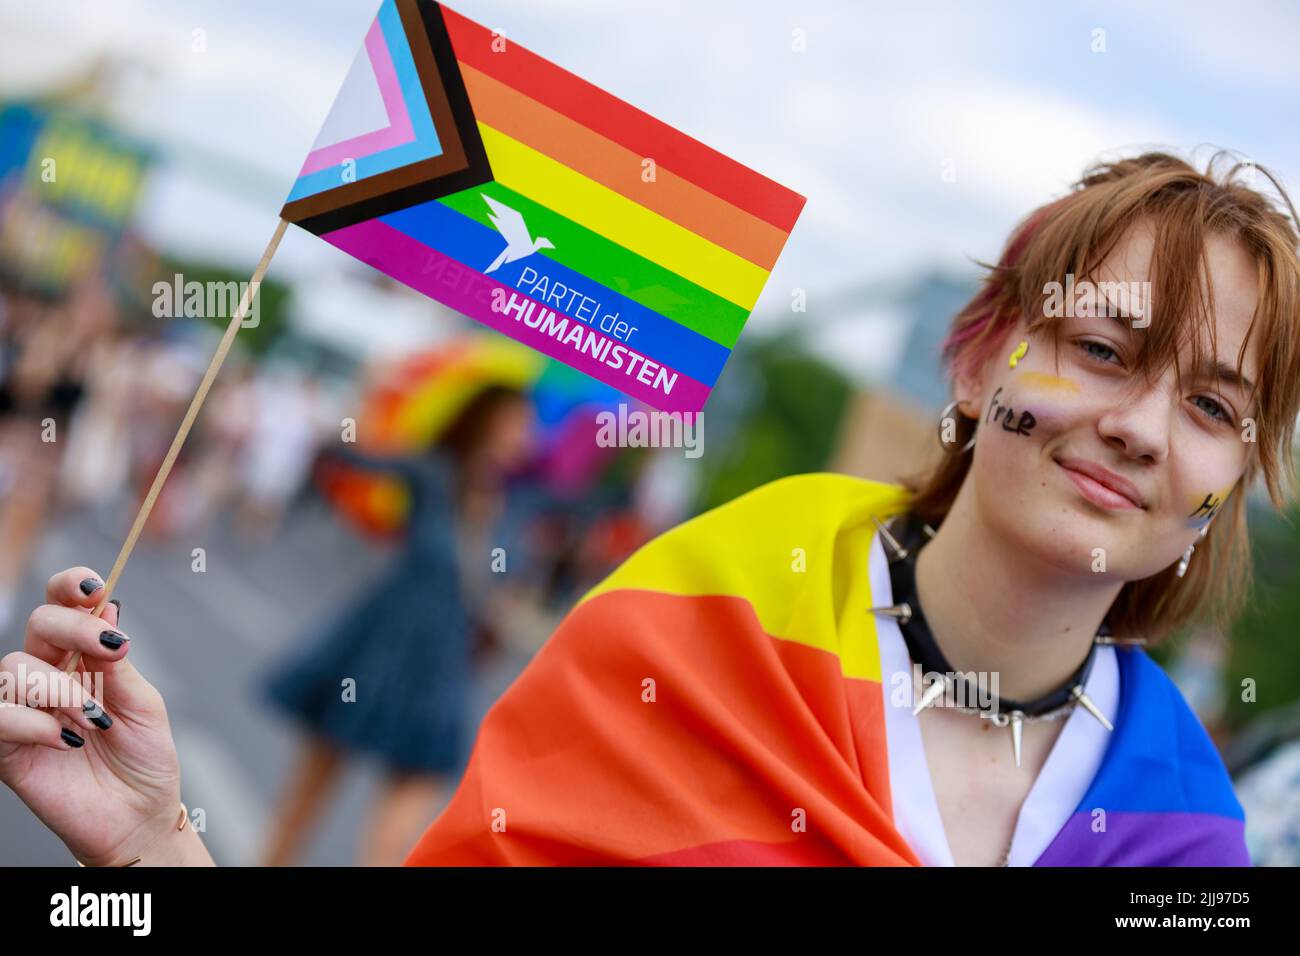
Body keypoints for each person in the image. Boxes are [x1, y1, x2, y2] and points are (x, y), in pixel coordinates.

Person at [2, 150, 1298, 867]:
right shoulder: (706, 613)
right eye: (1108, 352)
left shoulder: (1188, 837)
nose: (1139, 428)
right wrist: (151, 853)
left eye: (1214, 407)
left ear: (1230, 480)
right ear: (980, 358)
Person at [258, 383, 534, 866]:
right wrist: (361, 401)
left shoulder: (512, 505)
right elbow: (347, 458)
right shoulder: (431, 473)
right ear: (487, 419)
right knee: (305, 802)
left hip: (442, 665)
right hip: (382, 643)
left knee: (399, 836)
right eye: (516, 421)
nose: (525, 435)